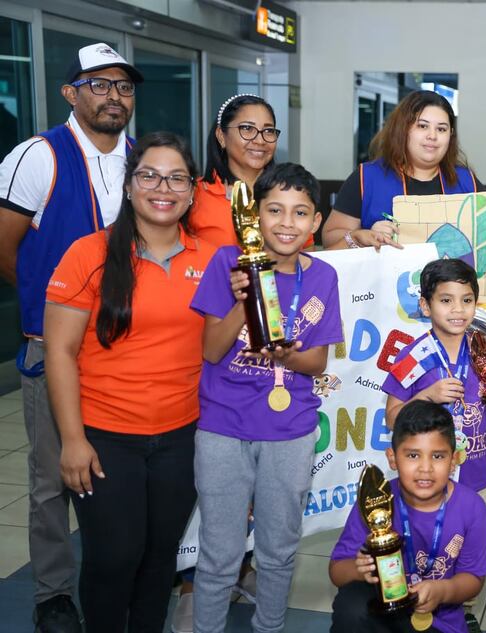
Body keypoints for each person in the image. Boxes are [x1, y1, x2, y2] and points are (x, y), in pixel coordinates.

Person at [0, 42, 142, 633]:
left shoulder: (141, 159)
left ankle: (122, 575)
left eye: (123, 87)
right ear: (70, 93)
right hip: (52, 344)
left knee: (116, 468)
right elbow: (4, 246)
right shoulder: (38, 156)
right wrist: (55, 308)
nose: (114, 97)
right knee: (51, 475)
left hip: (126, 347)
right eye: (99, 85)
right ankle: (53, 595)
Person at [44, 132, 209, 633]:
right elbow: (59, 351)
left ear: (192, 190)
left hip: (180, 438)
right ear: (130, 185)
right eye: (150, 175)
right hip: (104, 437)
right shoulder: (88, 253)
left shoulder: (210, 260)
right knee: (114, 558)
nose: (164, 188)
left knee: (160, 559)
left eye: (177, 177)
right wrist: (72, 441)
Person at [188, 162, 342, 631]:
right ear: (254, 217)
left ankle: (269, 627)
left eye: (299, 213)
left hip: (289, 430)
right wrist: (244, 297)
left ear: (316, 223)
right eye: (274, 210)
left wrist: (286, 356)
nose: (286, 223)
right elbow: (213, 350)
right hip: (223, 428)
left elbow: (317, 363)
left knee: (278, 551)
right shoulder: (226, 262)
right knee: (219, 553)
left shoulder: (323, 277)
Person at [328, 400, 486, 633]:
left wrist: (442, 590)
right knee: (351, 603)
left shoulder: (472, 507)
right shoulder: (376, 502)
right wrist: (359, 570)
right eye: (413, 455)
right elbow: (336, 571)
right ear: (393, 458)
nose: (425, 468)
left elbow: (473, 579)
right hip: (383, 613)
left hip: (438, 623)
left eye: (437, 456)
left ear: (454, 460)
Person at [382, 258, 486, 505]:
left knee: (472, 539)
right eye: (445, 300)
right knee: (427, 541)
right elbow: (391, 419)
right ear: (425, 306)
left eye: (466, 300)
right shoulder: (412, 358)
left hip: (478, 476)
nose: (458, 309)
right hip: (426, 478)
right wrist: (427, 396)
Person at [322, 90, 480, 250]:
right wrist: (363, 236)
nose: (432, 135)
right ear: (403, 129)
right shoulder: (368, 177)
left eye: (441, 129)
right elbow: (330, 238)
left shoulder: (467, 181)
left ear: (450, 135)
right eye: (422, 126)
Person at [188, 94, 279, 247]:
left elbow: (306, 257)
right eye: (247, 128)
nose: (260, 140)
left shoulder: (287, 192)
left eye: (268, 130)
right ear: (221, 136)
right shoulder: (195, 193)